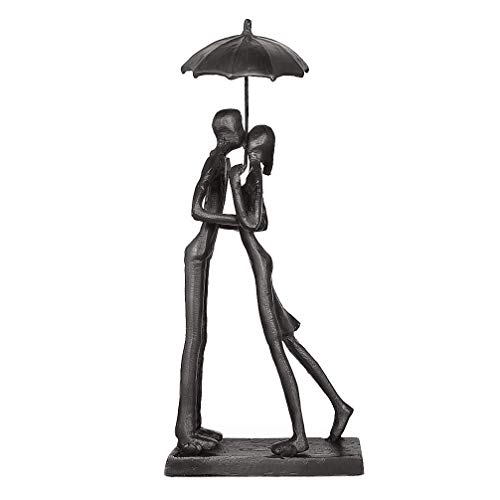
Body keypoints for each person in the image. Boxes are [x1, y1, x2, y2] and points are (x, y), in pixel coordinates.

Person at [229, 125, 353, 457]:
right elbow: (260, 222)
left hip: (260, 267)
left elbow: (251, 222)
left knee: (279, 351)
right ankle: (339, 405)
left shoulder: (254, 176)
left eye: (255, 150)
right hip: (262, 262)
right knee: (291, 344)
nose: (251, 154)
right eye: (251, 149)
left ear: (262, 153)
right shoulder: (253, 177)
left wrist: (234, 186)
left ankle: (300, 437)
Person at [175, 109, 246, 456]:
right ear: (228, 133)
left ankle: (194, 424)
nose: (243, 133)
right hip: (197, 256)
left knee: (200, 339)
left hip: (204, 255)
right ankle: (184, 431)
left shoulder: (223, 162)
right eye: (239, 128)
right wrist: (238, 221)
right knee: (194, 340)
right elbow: (196, 210)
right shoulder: (214, 162)